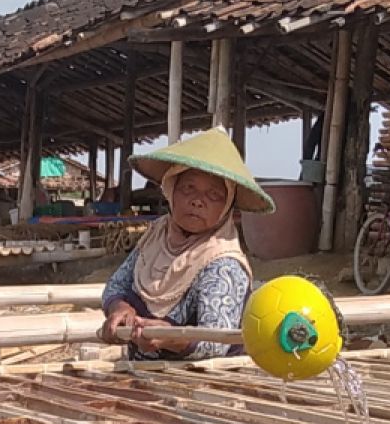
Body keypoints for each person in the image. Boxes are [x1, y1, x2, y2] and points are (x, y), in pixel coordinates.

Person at [98, 128, 275, 361]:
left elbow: (217, 341)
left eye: (213, 195)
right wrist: (120, 308)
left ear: (226, 207)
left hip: (203, 385)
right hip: (143, 378)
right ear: (171, 191)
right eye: (188, 188)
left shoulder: (223, 264)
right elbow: (116, 286)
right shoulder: (156, 236)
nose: (197, 201)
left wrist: (173, 339)